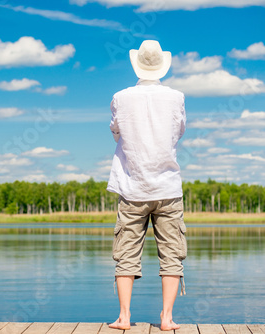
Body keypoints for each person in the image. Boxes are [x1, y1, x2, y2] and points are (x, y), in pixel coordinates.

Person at [106, 40, 187, 331]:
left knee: (126, 252)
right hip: (167, 187)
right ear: (162, 66)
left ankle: (124, 318)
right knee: (172, 253)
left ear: (136, 64)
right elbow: (178, 132)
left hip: (132, 187)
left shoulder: (120, 97)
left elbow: (116, 132)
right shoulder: (176, 97)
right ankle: (166, 319)